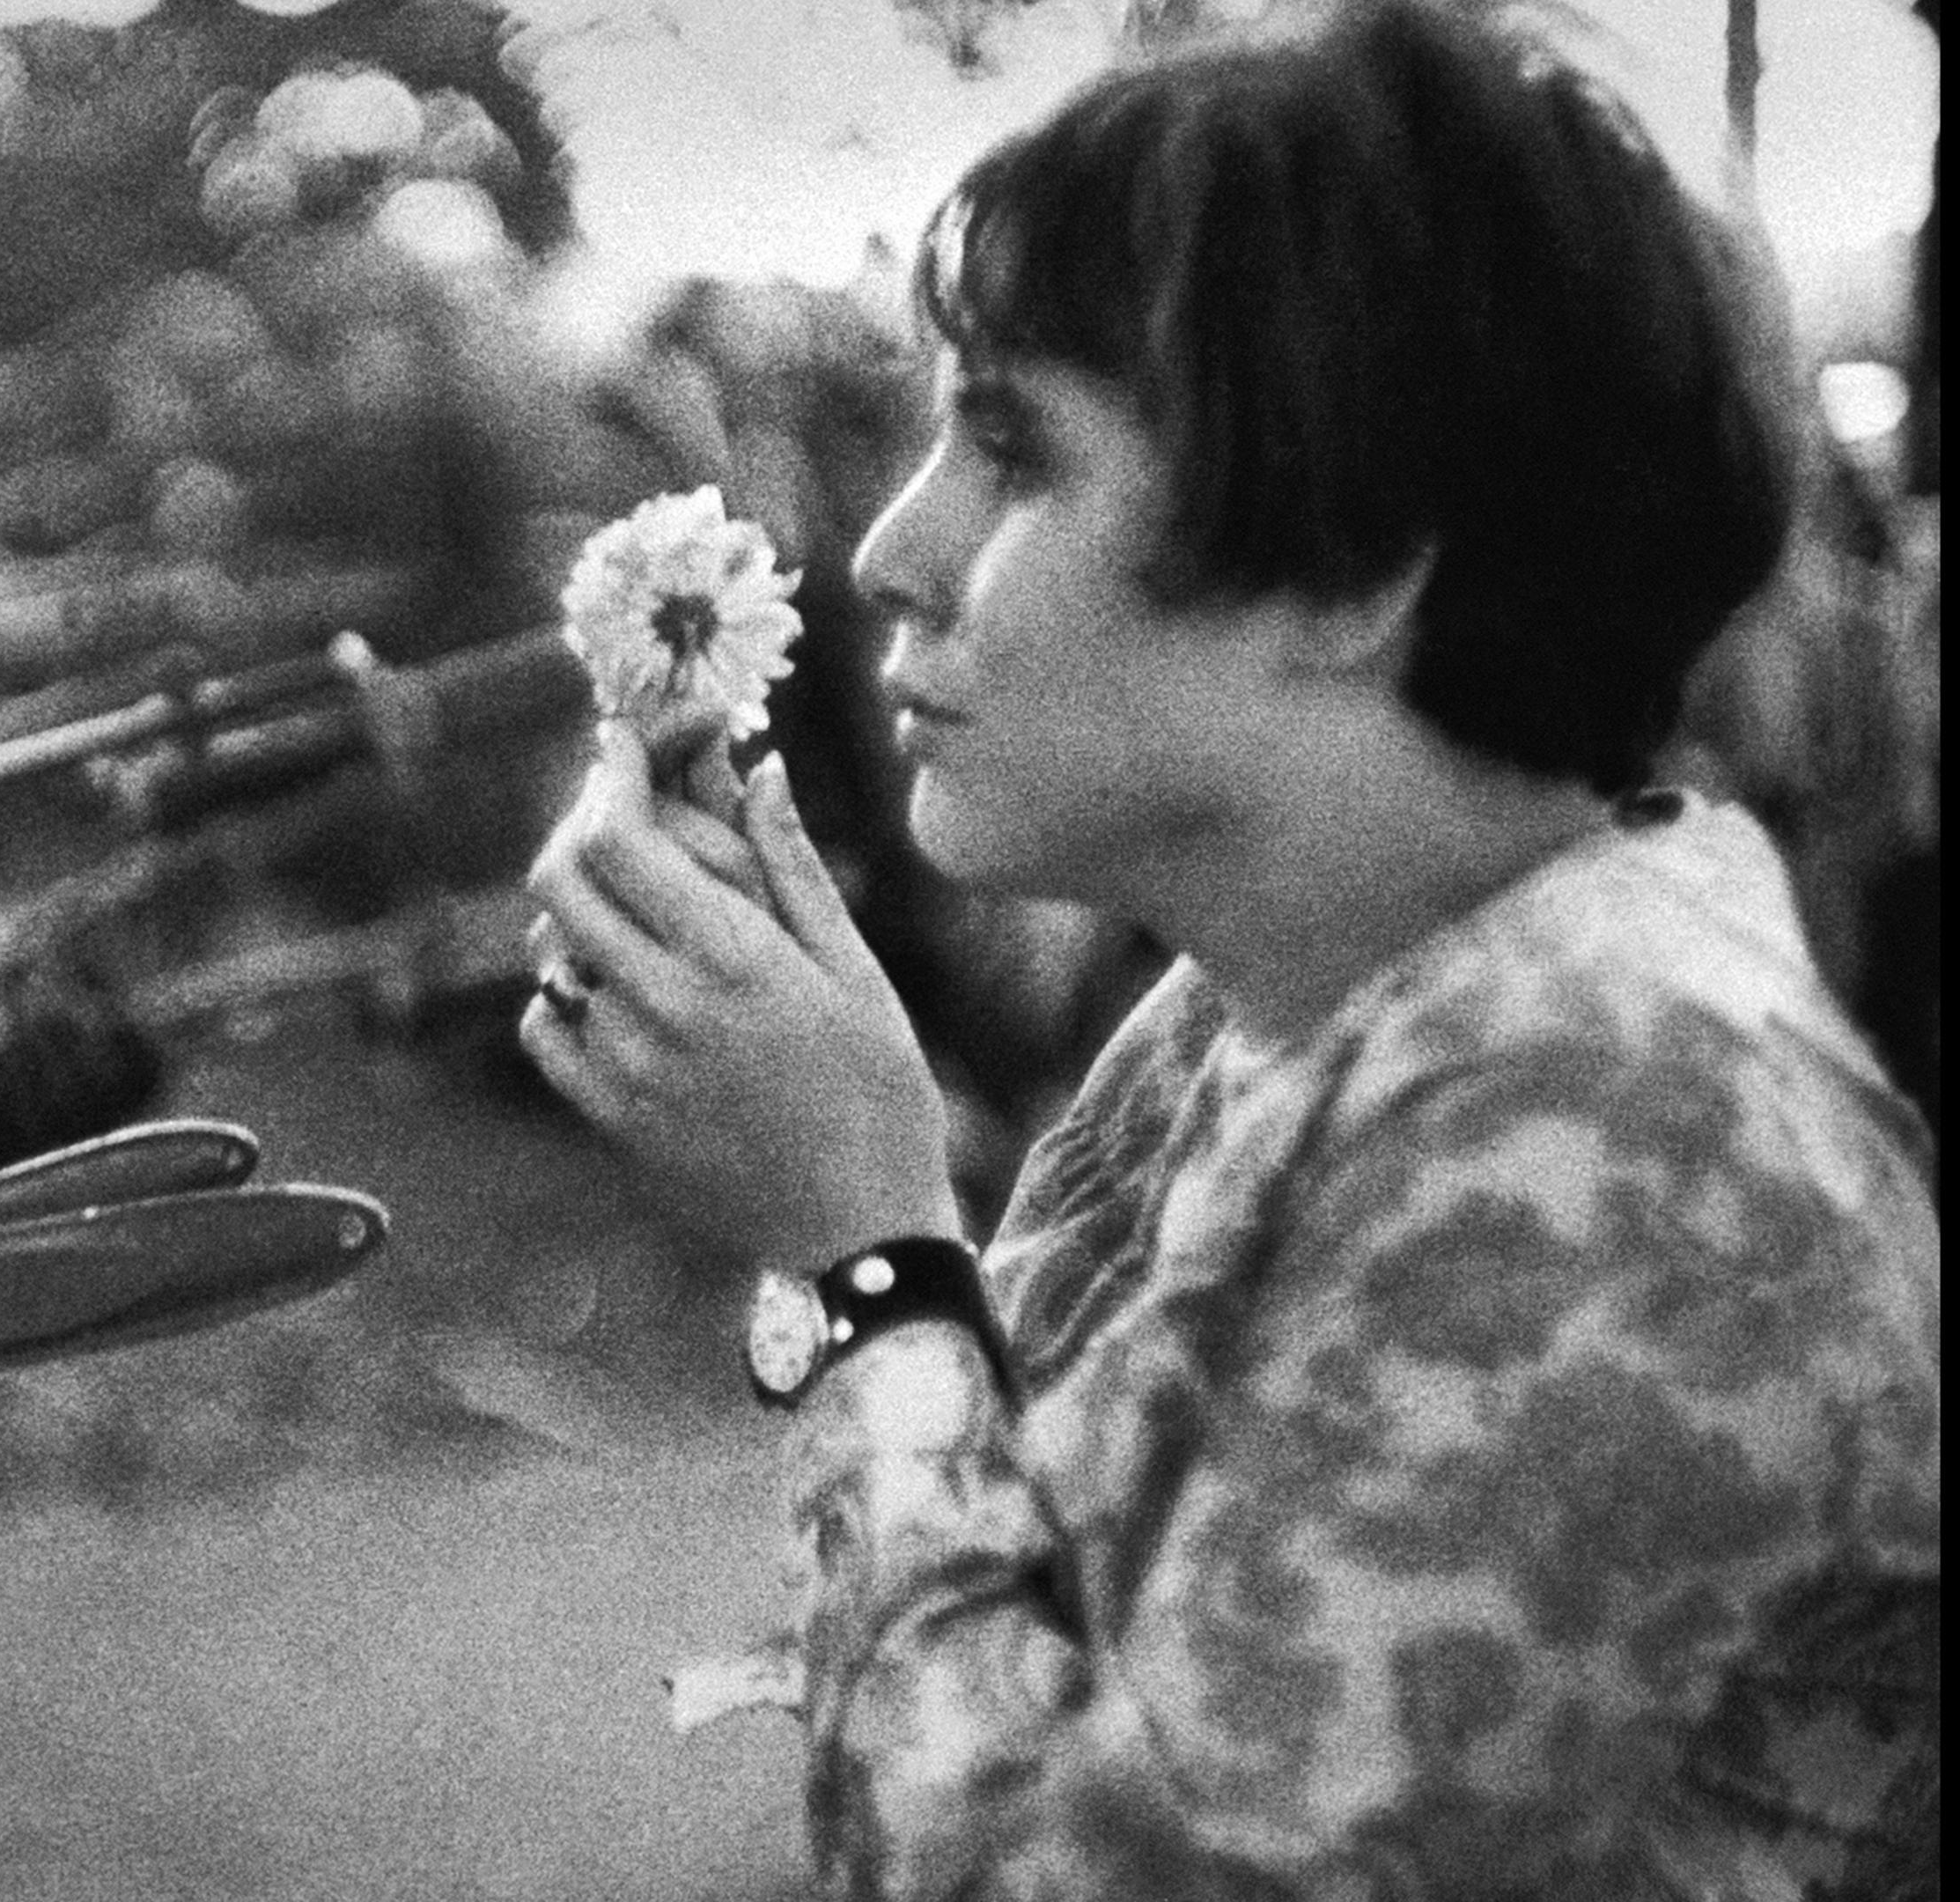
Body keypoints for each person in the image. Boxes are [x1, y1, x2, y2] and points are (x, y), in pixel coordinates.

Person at [522, 2, 1940, 1892]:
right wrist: (838, 1176)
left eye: (1015, 452)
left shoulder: (1631, 1139)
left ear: (1359, 564)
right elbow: (1036, 1613)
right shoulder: (1281, 1002)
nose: (889, 555)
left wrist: (861, 1256)